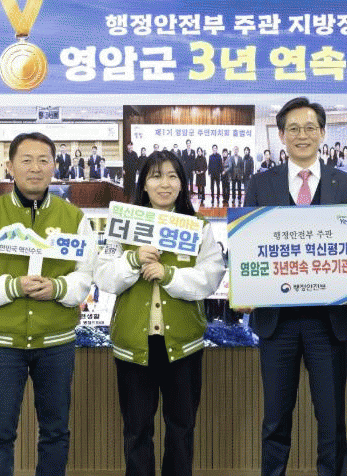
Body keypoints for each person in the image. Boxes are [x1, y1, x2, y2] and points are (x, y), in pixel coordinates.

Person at [0, 132, 95, 476]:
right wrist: (11, 286)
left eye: (43, 160)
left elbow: (86, 275)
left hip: (56, 344)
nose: (35, 168)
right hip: (1, 346)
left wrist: (58, 287)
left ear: (54, 167)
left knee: (55, 432)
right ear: (10, 166)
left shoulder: (74, 218)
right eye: (26, 160)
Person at [241, 97, 347, 476]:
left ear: (322, 133)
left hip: (328, 323)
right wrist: (244, 285)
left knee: (332, 421)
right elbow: (248, 246)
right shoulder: (260, 184)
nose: (302, 135)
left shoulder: (346, 184)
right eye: (293, 128)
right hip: (278, 323)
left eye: (310, 127)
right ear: (281, 136)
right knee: (275, 420)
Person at [95, 150, 224, 476]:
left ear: (182, 183)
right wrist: (132, 260)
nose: (164, 184)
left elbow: (211, 277)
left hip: (183, 345)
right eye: (155, 176)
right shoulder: (123, 224)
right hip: (133, 346)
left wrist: (170, 276)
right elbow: (104, 277)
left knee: (181, 428)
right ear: (143, 184)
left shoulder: (198, 227)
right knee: (137, 430)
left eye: (172, 176)